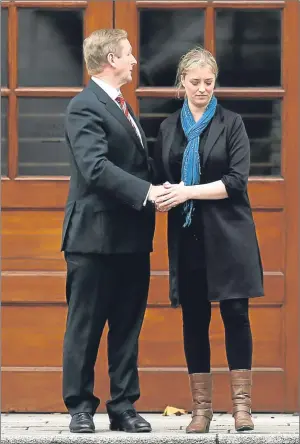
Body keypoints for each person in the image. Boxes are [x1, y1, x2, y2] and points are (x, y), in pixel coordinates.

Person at [61, 29, 170, 434]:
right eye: (128, 54)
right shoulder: (83, 107)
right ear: (111, 58)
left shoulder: (125, 108)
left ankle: (123, 407)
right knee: (85, 326)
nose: (134, 61)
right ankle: (80, 407)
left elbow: (139, 164)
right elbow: (95, 168)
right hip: (92, 239)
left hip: (132, 239)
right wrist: (146, 192)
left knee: (127, 326)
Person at [153, 47, 264, 434]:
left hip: (230, 233)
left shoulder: (231, 123)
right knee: (194, 319)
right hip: (189, 236)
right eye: (195, 82)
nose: (202, 89)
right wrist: (167, 195)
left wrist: (187, 192)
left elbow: (236, 182)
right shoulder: (168, 127)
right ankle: (201, 409)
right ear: (182, 82)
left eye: (209, 82)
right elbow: (162, 175)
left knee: (236, 315)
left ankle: (242, 408)